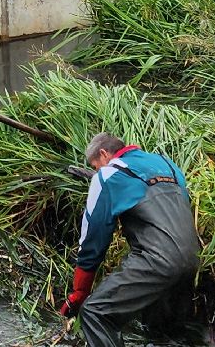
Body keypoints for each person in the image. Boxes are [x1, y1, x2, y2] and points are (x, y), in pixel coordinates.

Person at [57, 133, 201, 347]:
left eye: (95, 166)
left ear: (104, 154)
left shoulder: (108, 174)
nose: (97, 171)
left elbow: (93, 240)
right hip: (193, 259)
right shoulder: (167, 164)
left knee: (96, 314)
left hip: (157, 262)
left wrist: (81, 291)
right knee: (162, 334)